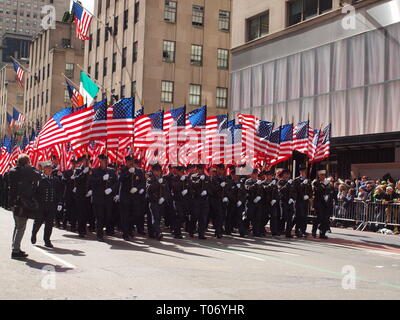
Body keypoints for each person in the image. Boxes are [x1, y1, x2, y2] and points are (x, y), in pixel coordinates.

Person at [8, 154, 41, 259]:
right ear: (26, 162)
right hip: (22, 202)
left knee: (17, 225)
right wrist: (32, 167)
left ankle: (15, 247)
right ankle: (15, 250)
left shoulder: (12, 171)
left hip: (13, 201)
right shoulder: (27, 170)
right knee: (21, 227)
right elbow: (39, 176)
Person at [31, 161, 64, 248]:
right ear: (44, 169)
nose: (49, 170)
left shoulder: (55, 180)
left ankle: (47, 240)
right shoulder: (39, 179)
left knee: (49, 224)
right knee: (38, 222)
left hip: (51, 205)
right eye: (47, 168)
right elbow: (34, 192)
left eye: (50, 168)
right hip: (41, 205)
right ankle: (34, 234)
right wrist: (35, 203)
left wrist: (60, 202)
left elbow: (59, 192)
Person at [89, 154, 118, 241]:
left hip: (108, 198)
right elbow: (92, 182)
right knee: (100, 217)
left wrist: (111, 189)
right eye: (102, 161)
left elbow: (116, 183)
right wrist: (102, 178)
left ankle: (103, 230)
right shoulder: (94, 171)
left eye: (105, 160)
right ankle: (99, 234)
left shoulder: (111, 171)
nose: (104, 162)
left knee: (107, 216)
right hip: (98, 198)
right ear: (99, 161)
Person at [118, 156, 146, 241]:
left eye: (131, 161)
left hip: (135, 197)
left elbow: (143, 182)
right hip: (125, 197)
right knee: (125, 216)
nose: (130, 163)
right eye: (128, 161)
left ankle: (130, 229)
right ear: (126, 162)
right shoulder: (123, 169)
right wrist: (128, 173)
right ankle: (125, 233)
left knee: (135, 215)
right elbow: (120, 179)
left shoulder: (138, 171)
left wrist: (137, 188)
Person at [146, 163, 170, 240]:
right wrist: (157, 183)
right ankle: (159, 232)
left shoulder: (164, 180)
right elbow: (149, 189)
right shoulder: (150, 179)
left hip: (161, 202)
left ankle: (154, 233)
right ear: (153, 171)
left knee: (158, 219)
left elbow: (167, 192)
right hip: (153, 201)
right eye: (156, 171)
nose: (158, 172)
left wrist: (164, 198)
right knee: (155, 217)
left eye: (159, 171)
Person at [189, 164, 211, 239]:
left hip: (204, 200)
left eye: (201, 169)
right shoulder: (193, 176)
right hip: (196, 199)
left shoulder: (207, 177)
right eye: (198, 169)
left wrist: (206, 192)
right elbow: (192, 185)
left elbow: (210, 188)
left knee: (203, 217)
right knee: (194, 216)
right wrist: (199, 180)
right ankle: (191, 231)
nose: (199, 171)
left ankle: (201, 234)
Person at [312, 170, 335, 239]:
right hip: (319, 203)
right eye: (321, 175)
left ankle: (322, 233)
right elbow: (318, 190)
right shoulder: (316, 182)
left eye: (324, 175)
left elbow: (332, 191)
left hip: (326, 203)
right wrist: (324, 184)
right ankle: (314, 231)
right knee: (319, 218)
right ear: (318, 175)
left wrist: (333, 199)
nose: (323, 176)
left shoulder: (328, 183)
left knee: (325, 219)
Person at [293, 165, 312, 238]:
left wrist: (308, 196)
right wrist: (302, 184)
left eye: (305, 171)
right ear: (300, 172)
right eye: (302, 171)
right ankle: (297, 230)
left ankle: (303, 231)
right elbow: (295, 190)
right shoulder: (296, 180)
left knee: (304, 216)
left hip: (305, 201)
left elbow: (310, 191)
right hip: (299, 200)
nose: (304, 172)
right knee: (299, 216)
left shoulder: (308, 180)